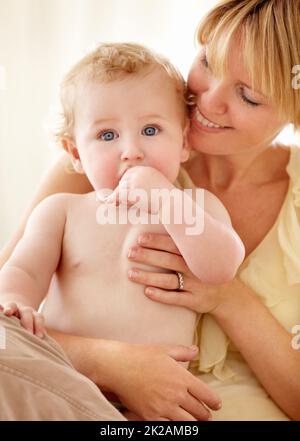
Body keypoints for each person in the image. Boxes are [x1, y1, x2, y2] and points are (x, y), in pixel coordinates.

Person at [0, 0, 299, 421]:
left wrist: (225, 296)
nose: (207, 102)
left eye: (248, 95)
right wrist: (111, 362)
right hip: (74, 386)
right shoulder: (79, 185)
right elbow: (9, 310)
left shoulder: (192, 205)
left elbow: (219, 267)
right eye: (208, 62)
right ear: (75, 151)